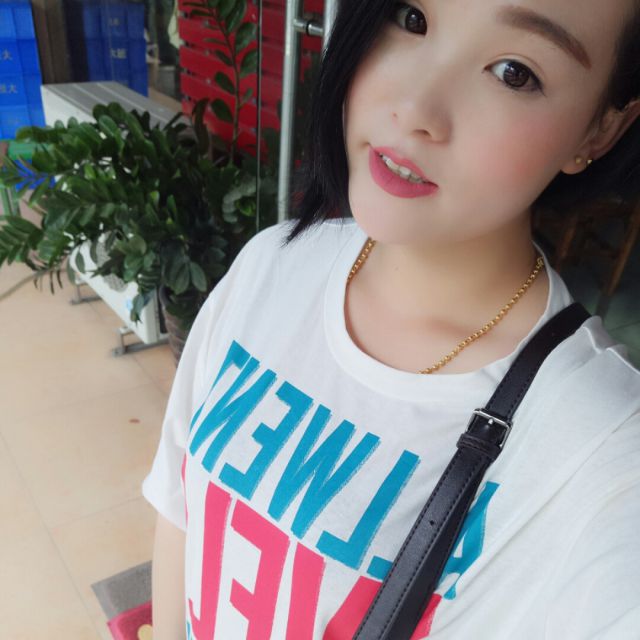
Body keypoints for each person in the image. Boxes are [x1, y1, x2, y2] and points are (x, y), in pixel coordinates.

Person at [143, 0, 640, 637]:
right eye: (411, 18)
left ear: (599, 130)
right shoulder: (273, 263)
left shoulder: (598, 456)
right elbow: (180, 508)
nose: (414, 108)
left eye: (514, 72)